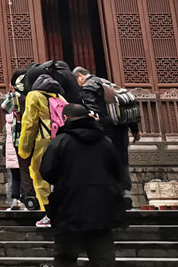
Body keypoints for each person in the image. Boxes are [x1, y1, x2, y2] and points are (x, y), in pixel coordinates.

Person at [40, 103, 127, 267]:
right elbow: (118, 170)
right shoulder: (105, 141)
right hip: (102, 208)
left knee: (65, 258)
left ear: (65, 118)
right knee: (103, 258)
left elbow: (47, 171)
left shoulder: (61, 141)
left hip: (69, 206)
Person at [74, 66, 139, 203]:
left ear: (80, 76)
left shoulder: (88, 87)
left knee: (103, 161)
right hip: (121, 128)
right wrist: (135, 129)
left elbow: (92, 111)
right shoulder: (108, 83)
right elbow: (127, 105)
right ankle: (126, 192)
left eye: (77, 81)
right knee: (122, 161)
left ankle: (108, 195)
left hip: (105, 130)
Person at [17, 64, 68, 227]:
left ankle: (49, 213)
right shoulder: (59, 96)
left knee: (40, 177)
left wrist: (24, 149)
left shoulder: (34, 95)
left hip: (44, 142)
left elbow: (29, 123)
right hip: (62, 140)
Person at [1, 94, 24, 210]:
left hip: (11, 150)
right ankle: (26, 200)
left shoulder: (9, 119)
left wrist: (4, 153)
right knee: (25, 175)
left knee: (15, 176)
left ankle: (15, 200)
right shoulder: (24, 116)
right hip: (23, 148)